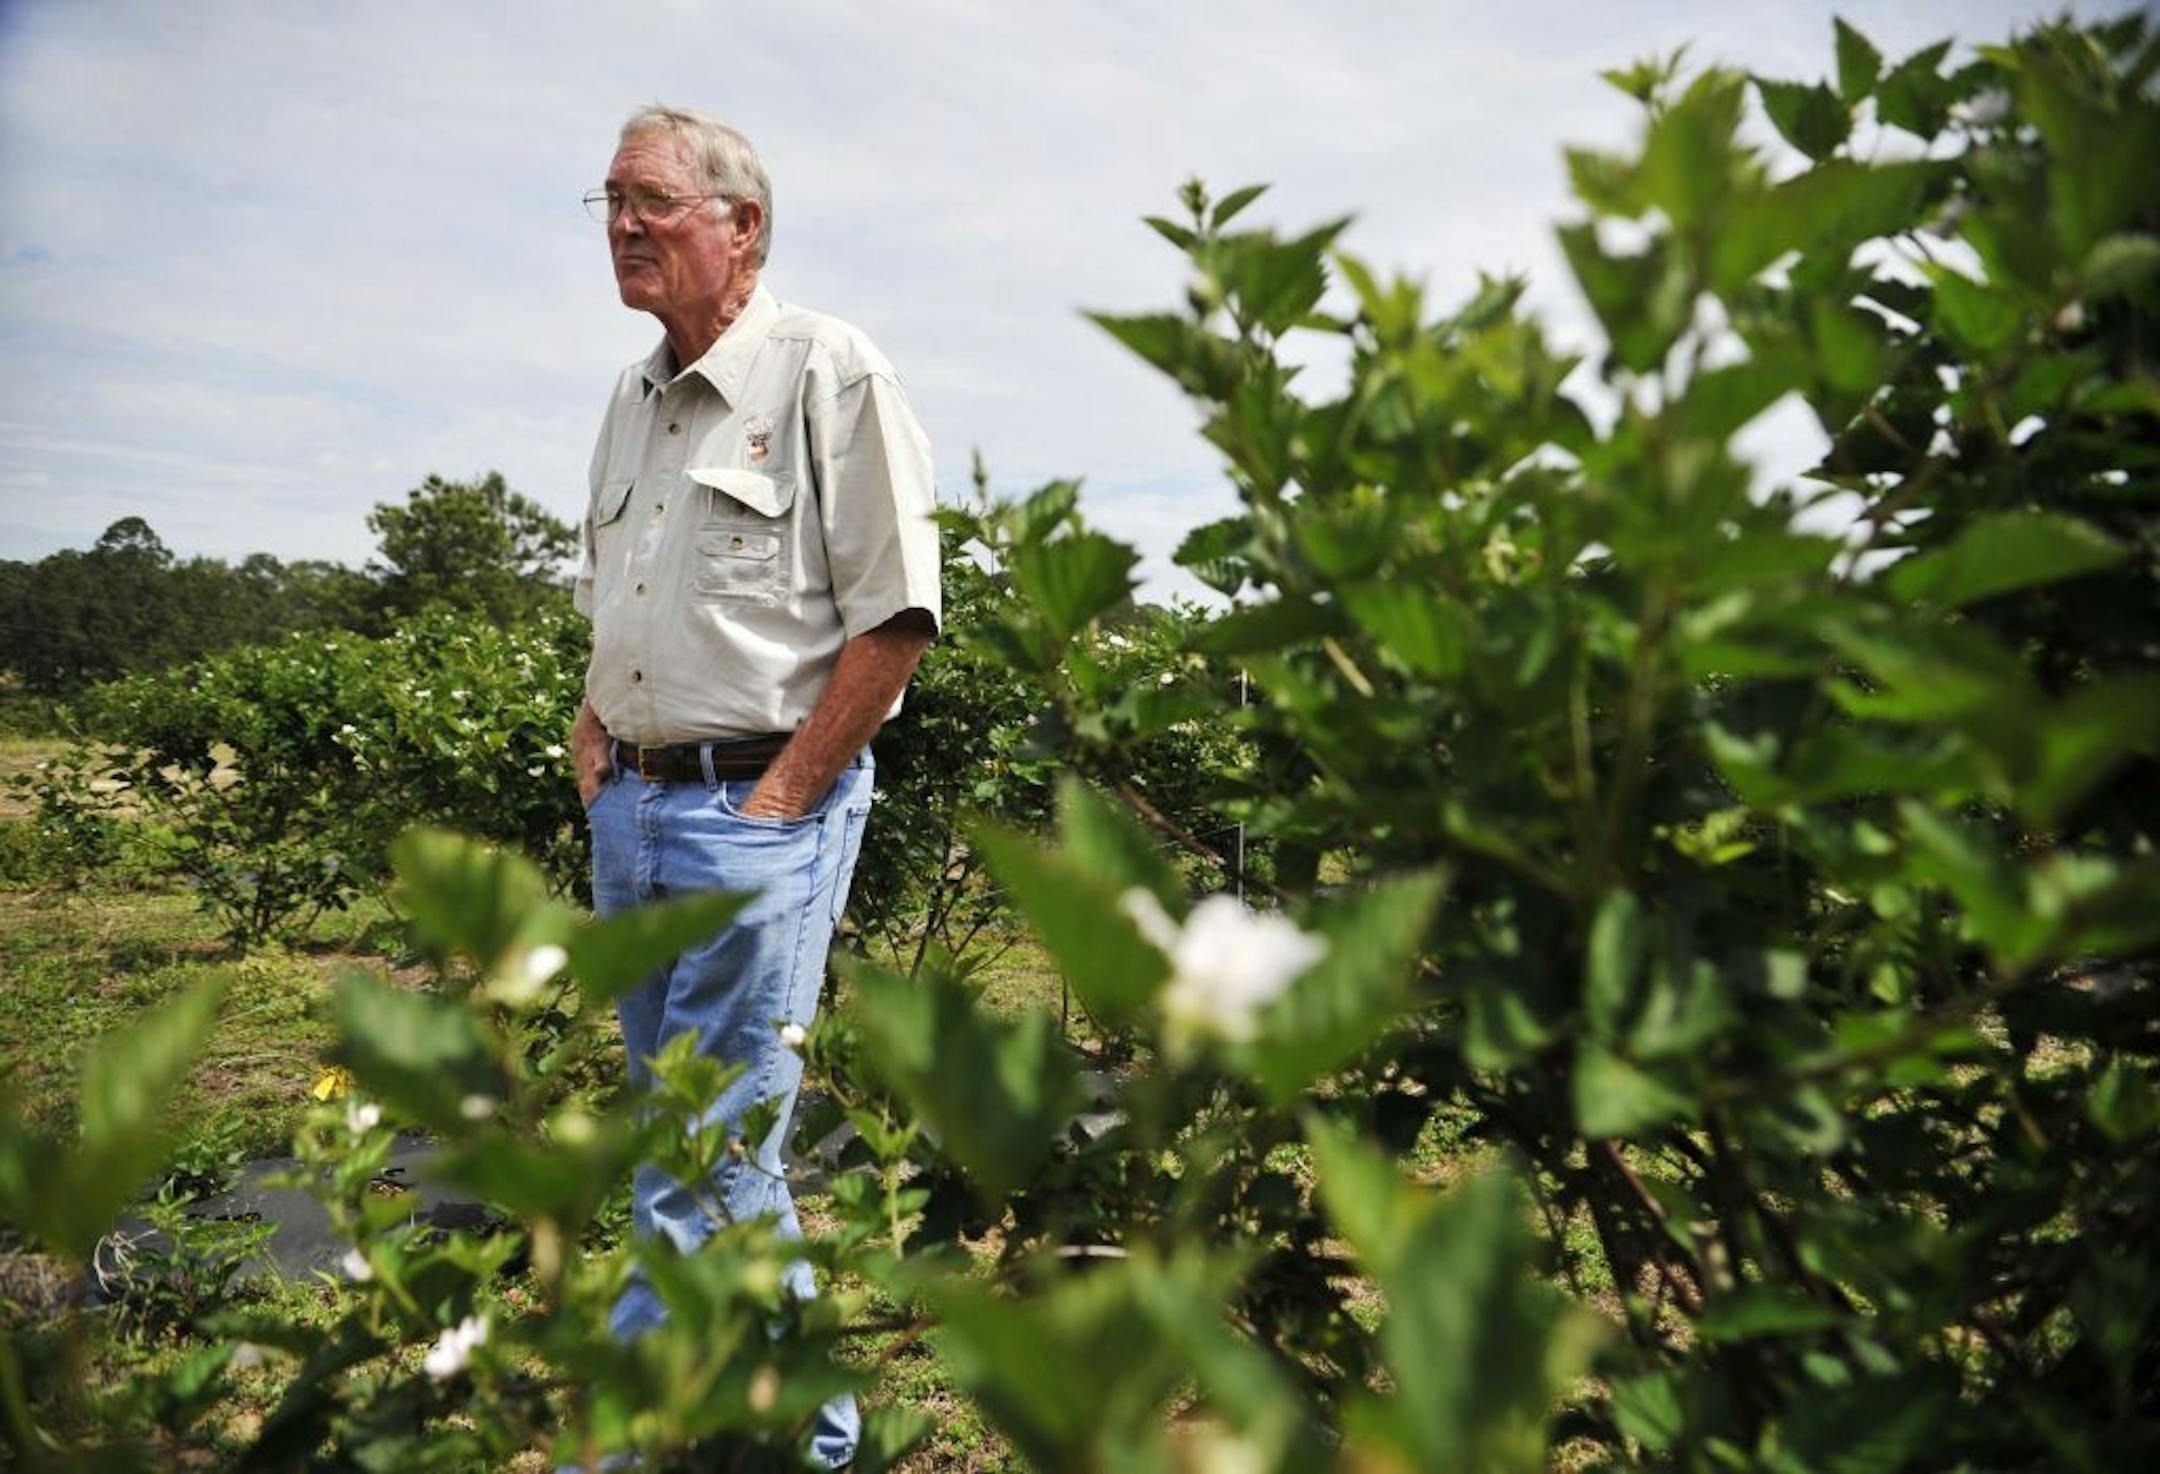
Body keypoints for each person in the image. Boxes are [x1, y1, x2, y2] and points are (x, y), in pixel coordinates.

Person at [569, 104, 940, 1471]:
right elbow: (616, 589)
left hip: (753, 817)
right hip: (636, 814)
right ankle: (818, 1432)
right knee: (706, 1145)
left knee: (700, 1149)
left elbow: (895, 619)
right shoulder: (629, 395)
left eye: (651, 200)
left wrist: (783, 796)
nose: (622, 225)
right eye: (607, 200)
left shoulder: (828, 374)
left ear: (742, 225)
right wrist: (593, 730)